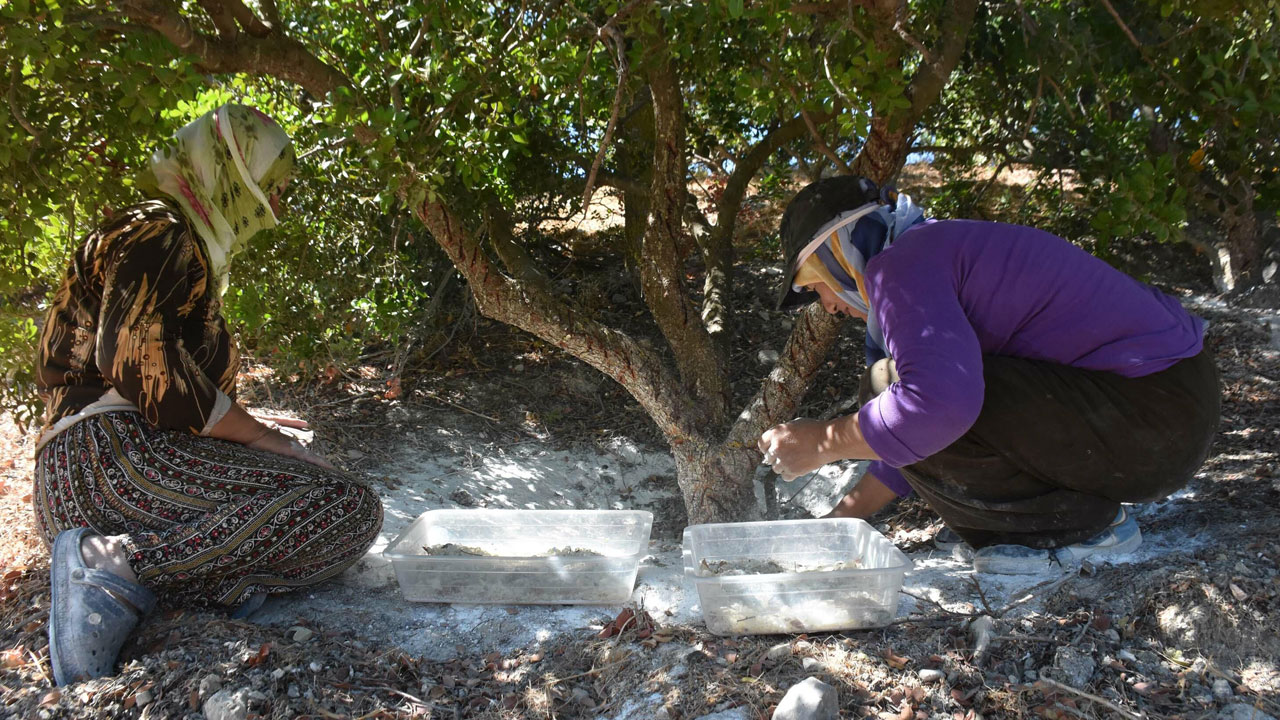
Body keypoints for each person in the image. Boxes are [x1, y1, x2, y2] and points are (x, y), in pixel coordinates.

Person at [33, 104, 384, 686]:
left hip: (104, 469)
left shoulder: (169, 239)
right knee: (348, 507)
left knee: (332, 515)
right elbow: (135, 360)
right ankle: (113, 566)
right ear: (233, 173)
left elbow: (166, 382)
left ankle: (179, 578)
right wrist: (263, 438)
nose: (276, 210)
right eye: (272, 189)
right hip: (111, 462)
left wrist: (246, 423)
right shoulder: (160, 230)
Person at [758, 175, 1218, 575]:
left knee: (885, 387)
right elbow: (907, 448)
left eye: (812, 283)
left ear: (836, 250)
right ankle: (1037, 522)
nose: (828, 304)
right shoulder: (926, 251)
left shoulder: (902, 267)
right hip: (1163, 412)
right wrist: (842, 522)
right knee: (889, 390)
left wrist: (821, 443)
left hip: (1152, 412)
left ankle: (1077, 529)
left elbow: (933, 407)